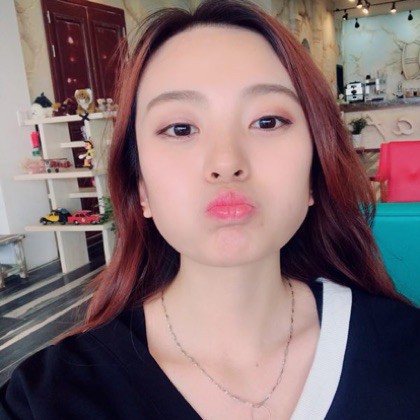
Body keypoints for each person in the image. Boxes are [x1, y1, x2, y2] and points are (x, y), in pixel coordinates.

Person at [1, 1, 419, 419]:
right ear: (141, 187)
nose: (226, 162)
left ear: (314, 170)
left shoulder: (406, 351)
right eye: (180, 128)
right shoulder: (41, 401)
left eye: (267, 121)